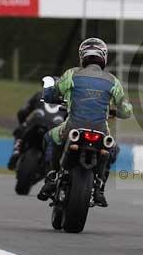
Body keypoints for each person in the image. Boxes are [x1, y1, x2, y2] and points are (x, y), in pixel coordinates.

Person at [36, 37, 132, 207]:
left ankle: (51, 177)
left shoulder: (72, 74)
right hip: (101, 131)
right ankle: (100, 188)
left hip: (72, 127)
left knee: (49, 137)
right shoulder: (113, 81)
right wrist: (117, 111)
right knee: (113, 149)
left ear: (82, 56)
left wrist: (49, 91)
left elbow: (51, 95)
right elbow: (126, 111)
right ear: (104, 57)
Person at [7, 91, 43, 170]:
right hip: (52, 127)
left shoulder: (39, 95)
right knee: (21, 130)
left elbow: (23, 112)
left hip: (37, 124)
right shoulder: (66, 97)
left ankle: (16, 150)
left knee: (21, 130)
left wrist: (22, 123)